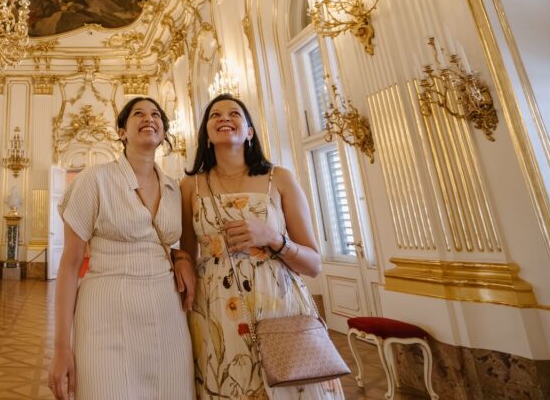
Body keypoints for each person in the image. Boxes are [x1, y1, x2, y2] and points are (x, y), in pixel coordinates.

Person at [180, 94, 344, 399]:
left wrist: (272, 238)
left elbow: (313, 264)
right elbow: (187, 253)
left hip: (279, 306)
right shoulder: (191, 185)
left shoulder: (278, 178)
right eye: (214, 115)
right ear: (206, 132)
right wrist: (180, 259)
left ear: (250, 131)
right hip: (216, 309)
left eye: (234, 113)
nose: (224, 118)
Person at [49, 97, 195, 400]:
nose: (149, 118)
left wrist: (179, 256)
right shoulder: (94, 181)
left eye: (156, 115)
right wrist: (62, 348)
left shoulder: (173, 189)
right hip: (106, 311)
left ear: (164, 131)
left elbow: (163, 242)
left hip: (166, 313)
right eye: (138, 114)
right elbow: (70, 264)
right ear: (121, 131)